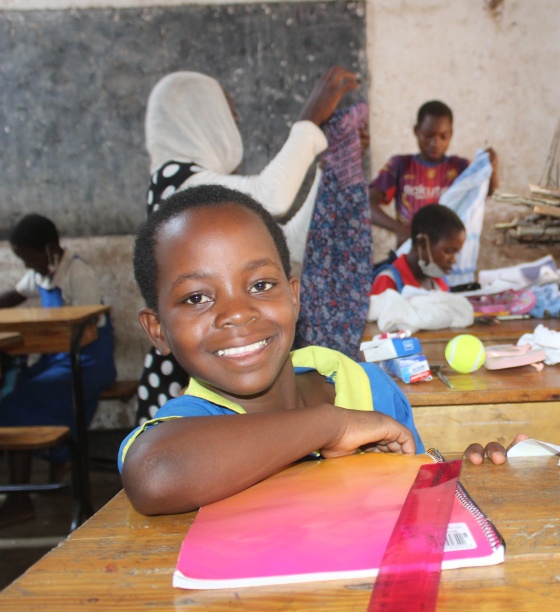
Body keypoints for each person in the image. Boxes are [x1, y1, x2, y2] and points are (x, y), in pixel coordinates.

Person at [119, 185, 524, 516]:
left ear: (295, 296)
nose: (237, 315)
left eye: (260, 286)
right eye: (196, 298)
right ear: (157, 330)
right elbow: (155, 474)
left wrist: (474, 480)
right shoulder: (189, 426)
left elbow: (413, 506)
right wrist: (330, 426)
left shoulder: (369, 390)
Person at [137, 66, 364, 423]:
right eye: (229, 114)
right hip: (185, 390)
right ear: (198, 118)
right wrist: (309, 122)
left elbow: (287, 242)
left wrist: (329, 168)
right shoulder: (176, 180)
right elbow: (271, 196)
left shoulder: (202, 185)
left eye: (260, 285)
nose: (235, 122)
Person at [0, 214, 117, 527]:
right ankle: (56, 466)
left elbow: (87, 321)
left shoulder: (77, 271)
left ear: (49, 248)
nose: (29, 265)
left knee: (21, 403)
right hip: (60, 358)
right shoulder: (41, 273)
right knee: (17, 389)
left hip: (88, 359)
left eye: (30, 257)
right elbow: (15, 295)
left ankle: (20, 500)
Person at [369, 100, 499, 247]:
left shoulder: (460, 168)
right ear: (416, 130)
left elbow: (488, 193)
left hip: (448, 259)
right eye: (427, 135)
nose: (435, 143)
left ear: (451, 134)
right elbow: (367, 205)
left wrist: (491, 168)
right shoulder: (400, 165)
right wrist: (399, 229)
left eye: (443, 136)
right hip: (410, 255)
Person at [370, 203, 465, 295]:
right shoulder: (389, 281)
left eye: (456, 252)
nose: (453, 260)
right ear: (423, 244)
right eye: (448, 251)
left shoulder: (439, 282)